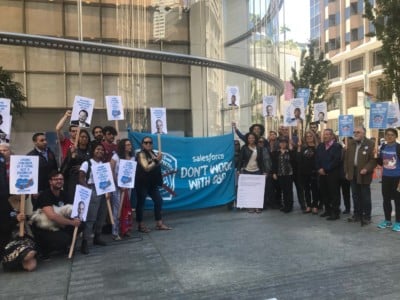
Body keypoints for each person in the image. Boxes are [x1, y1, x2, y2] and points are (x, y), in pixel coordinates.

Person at [30, 171, 80, 259]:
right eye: (56, 179)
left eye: (61, 179)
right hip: (44, 227)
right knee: (64, 239)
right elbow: (52, 216)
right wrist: (71, 223)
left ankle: (66, 244)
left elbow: (72, 211)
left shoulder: (65, 194)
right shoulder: (45, 195)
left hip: (58, 224)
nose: (59, 181)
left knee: (81, 223)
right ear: (50, 182)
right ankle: (45, 249)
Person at [135, 136, 171, 232]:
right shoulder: (141, 154)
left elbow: (156, 167)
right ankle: (141, 225)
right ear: (142, 144)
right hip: (142, 183)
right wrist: (156, 160)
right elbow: (146, 167)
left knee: (158, 201)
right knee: (141, 203)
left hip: (152, 183)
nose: (148, 144)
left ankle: (159, 223)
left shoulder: (153, 153)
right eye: (146, 142)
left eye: (150, 142)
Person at [79, 142, 108, 254]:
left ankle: (97, 237)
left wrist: (108, 190)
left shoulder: (103, 163)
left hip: (103, 190)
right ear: (93, 151)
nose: (100, 151)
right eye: (97, 149)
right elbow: (81, 177)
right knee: (91, 217)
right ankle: (85, 242)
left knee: (101, 215)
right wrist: (87, 190)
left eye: (102, 149)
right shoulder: (87, 163)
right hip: (92, 189)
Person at [344, 127, 376, 225]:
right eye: (354, 132)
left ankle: (367, 216)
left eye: (358, 132)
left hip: (364, 174)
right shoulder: (351, 143)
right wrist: (346, 171)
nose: (355, 134)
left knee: (365, 196)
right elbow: (346, 159)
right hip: (352, 173)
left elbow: (373, 160)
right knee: (355, 195)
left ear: (364, 133)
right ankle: (357, 215)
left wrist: (366, 168)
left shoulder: (371, 144)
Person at [110, 139, 135, 240]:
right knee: (117, 209)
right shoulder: (116, 157)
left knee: (127, 208)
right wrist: (118, 184)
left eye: (130, 144)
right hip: (117, 187)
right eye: (127, 145)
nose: (130, 146)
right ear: (122, 146)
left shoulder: (132, 158)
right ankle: (115, 232)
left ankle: (125, 229)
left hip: (128, 187)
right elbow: (111, 171)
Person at [26, 133, 58, 210]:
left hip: (51, 189)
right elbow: (28, 176)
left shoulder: (51, 153)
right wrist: (33, 190)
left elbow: (55, 170)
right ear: (35, 142)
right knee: (39, 213)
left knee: (54, 212)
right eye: (42, 140)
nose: (45, 142)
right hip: (38, 191)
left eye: (45, 140)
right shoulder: (30, 156)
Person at [316, 129, 342, 220]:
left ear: (332, 136)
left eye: (328, 134)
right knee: (324, 192)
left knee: (334, 193)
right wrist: (319, 168)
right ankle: (327, 210)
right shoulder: (320, 146)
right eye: (324, 134)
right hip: (322, 174)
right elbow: (317, 159)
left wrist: (326, 169)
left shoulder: (337, 146)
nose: (325, 136)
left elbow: (336, 160)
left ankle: (335, 212)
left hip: (332, 173)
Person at [377, 128, 400, 231]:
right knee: (386, 200)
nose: (389, 136)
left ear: (396, 136)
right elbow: (381, 162)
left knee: (398, 200)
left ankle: (398, 222)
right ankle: (387, 221)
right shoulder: (383, 146)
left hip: (397, 178)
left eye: (392, 135)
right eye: (387, 135)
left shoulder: (398, 147)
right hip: (386, 177)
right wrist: (376, 155)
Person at [60, 129, 91, 204]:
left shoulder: (91, 151)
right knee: (73, 203)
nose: (84, 138)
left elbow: (93, 164)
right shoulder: (72, 150)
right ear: (78, 138)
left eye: (86, 137)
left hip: (87, 181)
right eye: (82, 136)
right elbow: (65, 168)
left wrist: (83, 168)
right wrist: (72, 157)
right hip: (73, 181)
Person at [296, 130, 320, 214]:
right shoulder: (302, 147)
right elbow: (298, 159)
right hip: (304, 172)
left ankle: (315, 205)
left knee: (315, 189)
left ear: (313, 137)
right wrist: (298, 148)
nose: (309, 138)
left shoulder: (318, 147)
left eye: (310, 136)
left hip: (314, 171)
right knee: (306, 190)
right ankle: (308, 205)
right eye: (307, 136)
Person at [271, 137, 295, 213]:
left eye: (284, 142)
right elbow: (274, 164)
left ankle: (289, 206)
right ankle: (285, 205)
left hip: (289, 174)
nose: (282, 144)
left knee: (289, 190)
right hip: (280, 174)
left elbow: (294, 161)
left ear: (287, 144)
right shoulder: (276, 153)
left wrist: (292, 149)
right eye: (281, 142)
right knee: (283, 191)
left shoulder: (290, 152)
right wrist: (274, 173)